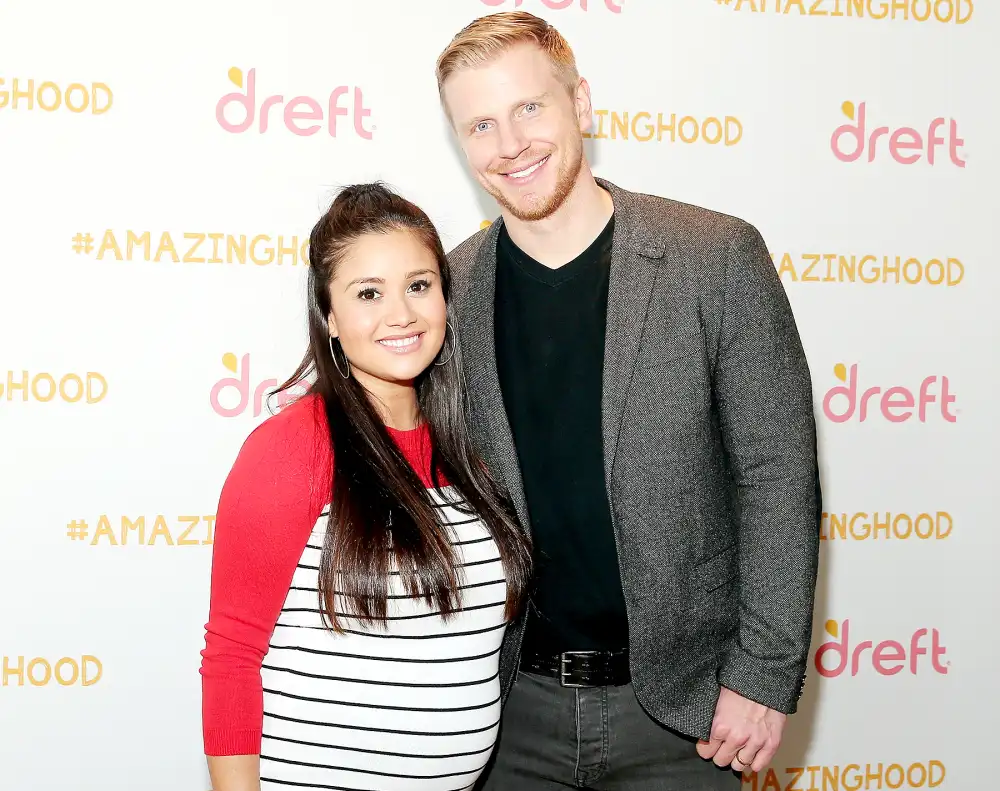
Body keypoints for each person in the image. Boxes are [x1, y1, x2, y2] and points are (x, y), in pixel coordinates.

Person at [435, 12, 822, 789]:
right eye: (480, 125)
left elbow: (778, 473)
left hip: (684, 717)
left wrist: (763, 670)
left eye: (529, 108)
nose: (510, 144)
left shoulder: (714, 257)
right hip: (506, 718)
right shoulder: (448, 290)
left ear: (580, 103)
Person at [198, 183, 533, 791]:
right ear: (329, 316)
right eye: (368, 293)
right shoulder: (294, 448)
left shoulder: (471, 451)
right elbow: (232, 655)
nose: (400, 314)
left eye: (419, 285)